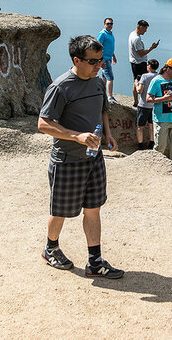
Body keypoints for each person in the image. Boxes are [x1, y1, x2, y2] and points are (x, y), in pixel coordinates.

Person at [37, 35, 122, 279]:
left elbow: (103, 110)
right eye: (94, 62)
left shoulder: (97, 82)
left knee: (93, 208)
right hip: (68, 159)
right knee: (60, 210)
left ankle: (95, 262)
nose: (99, 66)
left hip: (94, 158)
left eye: (102, 61)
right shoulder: (61, 87)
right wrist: (77, 137)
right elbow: (43, 124)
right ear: (77, 60)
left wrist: (108, 135)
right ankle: (50, 249)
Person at [146, 58, 172, 165]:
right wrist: (164, 99)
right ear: (168, 69)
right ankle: (157, 168)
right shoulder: (156, 81)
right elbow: (148, 99)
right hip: (161, 119)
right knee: (160, 147)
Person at [128, 20, 159, 107]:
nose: (145, 31)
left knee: (136, 80)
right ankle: (142, 102)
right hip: (139, 63)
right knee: (141, 82)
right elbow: (141, 53)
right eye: (145, 29)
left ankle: (136, 101)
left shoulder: (132, 34)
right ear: (140, 27)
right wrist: (152, 48)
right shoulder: (136, 39)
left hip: (134, 61)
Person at [133, 59, 159, 151]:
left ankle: (140, 146)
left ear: (149, 66)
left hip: (144, 105)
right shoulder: (159, 77)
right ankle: (151, 144)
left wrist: (136, 83)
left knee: (140, 127)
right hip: (155, 105)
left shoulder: (144, 76)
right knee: (152, 126)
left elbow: (139, 91)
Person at [96, 18, 118, 103]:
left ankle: (101, 94)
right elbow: (98, 47)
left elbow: (109, 46)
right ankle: (110, 96)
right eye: (108, 23)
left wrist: (113, 56)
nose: (110, 25)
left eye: (111, 24)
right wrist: (100, 59)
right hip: (104, 59)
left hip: (108, 58)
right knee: (110, 78)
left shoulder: (110, 33)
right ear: (104, 24)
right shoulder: (102, 34)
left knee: (104, 78)